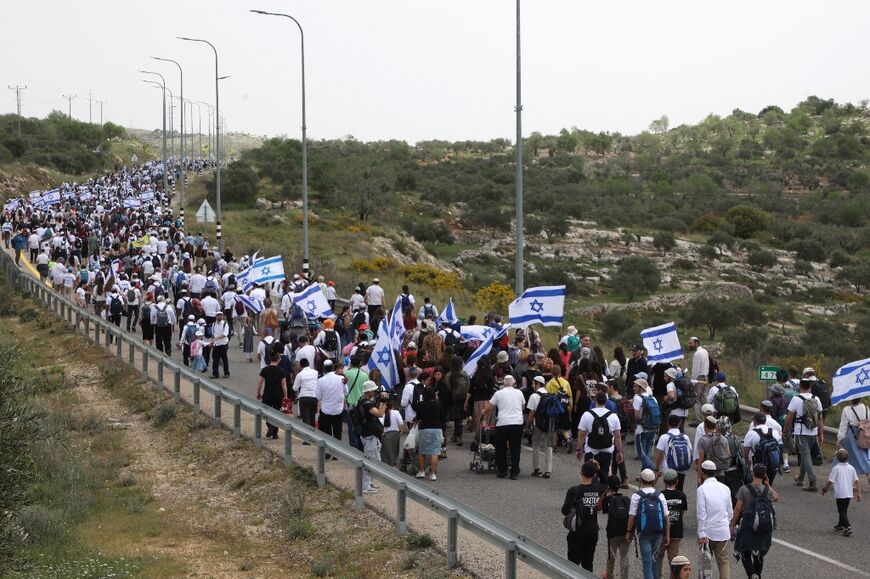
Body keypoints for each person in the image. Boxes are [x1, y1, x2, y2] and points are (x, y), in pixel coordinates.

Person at [731, 464, 779, 579]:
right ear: (764, 476)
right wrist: (768, 485)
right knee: (760, 552)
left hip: (748, 524)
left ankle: (752, 574)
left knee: (744, 551)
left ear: (753, 474)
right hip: (763, 525)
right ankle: (757, 574)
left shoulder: (744, 489)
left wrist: (732, 524)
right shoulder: (767, 490)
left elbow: (738, 508)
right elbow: (776, 497)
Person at [561, 461, 606, 571]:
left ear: (581, 472)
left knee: (573, 564)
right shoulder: (597, 489)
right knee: (588, 563)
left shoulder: (574, 491)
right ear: (594, 475)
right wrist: (599, 469)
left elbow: (565, 511)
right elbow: (605, 483)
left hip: (577, 532)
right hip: (592, 531)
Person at [626, 469, 670, 579]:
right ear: (653, 481)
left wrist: (629, 532)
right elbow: (666, 517)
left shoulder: (637, 496)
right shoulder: (660, 495)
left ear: (641, 480)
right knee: (655, 560)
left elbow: (632, 516)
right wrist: (667, 535)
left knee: (647, 562)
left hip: (644, 532)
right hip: (658, 532)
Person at [783, 379, 824, 492]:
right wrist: (821, 434)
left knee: (805, 455)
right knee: (806, 455)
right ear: (810, 387)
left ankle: (812, 480)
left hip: (801, 432)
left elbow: (789, 417)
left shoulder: (796, 399)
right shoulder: (816, 399)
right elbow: (820, 417)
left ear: (800, 386)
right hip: (813, 432)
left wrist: (786, 430)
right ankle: (800, 477)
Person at [576, 390, 623, 486]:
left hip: (591, 450)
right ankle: (603, 496)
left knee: (590, 475)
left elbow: (581, 434)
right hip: (607, 450)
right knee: (604, 474)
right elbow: (617, 436)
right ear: (606, 401)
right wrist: (619, 451)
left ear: (595, 401)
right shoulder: (613, 416)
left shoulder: (587, 414)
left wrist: (579, 449)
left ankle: (591, 496)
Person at [483, 375, 525, 479]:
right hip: (517, 423)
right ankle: (514, 472)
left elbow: (489, 407)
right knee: (515, 448)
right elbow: (523, 406)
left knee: (500, 447)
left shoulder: (498, 393)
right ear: (513, 383)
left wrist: (483, 413)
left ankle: (502, 470)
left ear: (504, 384)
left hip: (503, 423)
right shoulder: (519, 393)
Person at [697, 459, 733, 579]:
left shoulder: (702, 489)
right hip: (723, 531)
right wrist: (726, 524)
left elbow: (701, 513)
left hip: (707, 532)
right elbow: (730, 512)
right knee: (723, 562)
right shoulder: (725, 488)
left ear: (703, 472)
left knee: (705, 564)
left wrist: (701, 533)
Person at [822, 448, 862, 536]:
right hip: (848, 494)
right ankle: (840, 524)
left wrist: (825, 489)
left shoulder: (836, 468)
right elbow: (857, 481)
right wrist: (859, 493)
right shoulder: (851, 468)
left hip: (840, 494)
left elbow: (830, 481)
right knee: (844, 509)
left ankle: (847, 527)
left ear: (837, 458)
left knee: (841, 510)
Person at [357, 381, 386, 494]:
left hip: (370, 435)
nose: (375, 391)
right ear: (368, 391)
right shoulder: (366, 404)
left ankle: (370, 483)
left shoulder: (363, 401)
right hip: (368, 436)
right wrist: (384, 403)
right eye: (373, 390)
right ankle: (366, 486)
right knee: (369, 460)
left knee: (375, 459)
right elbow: (380, 414)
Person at [658, 470, 687, 579]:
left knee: (658, 556)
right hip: (676, 531)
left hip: (662, 531)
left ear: (664, 481)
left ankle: (658, 576)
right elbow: (682, 512)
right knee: (673, 559)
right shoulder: (682, 495)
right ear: (677, 481)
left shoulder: (661, 495)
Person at [603, 475, 631, 579]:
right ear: (619, 486)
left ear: (609, 487)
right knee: (624, 557)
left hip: (613, 533)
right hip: (625, 532)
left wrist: (605, 493)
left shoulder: (608, 499)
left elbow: (603, 510)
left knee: (611, 557)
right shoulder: (626, 499)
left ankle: (609, 576)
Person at [414, 386, 445, 481]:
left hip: (424, 428)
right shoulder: (438, 404)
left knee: (422, 451)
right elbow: (442, 417)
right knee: (435, 452)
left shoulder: (421, 404)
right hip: (436, 428)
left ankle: (422, 471)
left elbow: (418, 417)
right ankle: (432, 474)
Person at [654, 414, 692, 491]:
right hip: (682, 468)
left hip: (668, 468)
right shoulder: (685, 437)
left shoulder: (664, 437)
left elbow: (659, 455)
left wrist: (657, 469)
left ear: (668, 423)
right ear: (679, 423)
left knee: (669, 490)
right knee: (680, 489)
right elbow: (689, 451)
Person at [526, 375, 554, 479]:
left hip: (538, 424)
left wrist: (527, 425)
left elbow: (531, 413)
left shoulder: (534, 396)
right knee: (548, 446)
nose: (532, 385)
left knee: (535, 443)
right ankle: (548, 471)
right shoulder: (550, 395)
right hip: (549, 424)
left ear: (538, 384)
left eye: (533, 383)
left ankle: (537, 468)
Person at [743, 413, 782, 487]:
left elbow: (746, 451)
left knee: (756, 488)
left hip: (758, 466)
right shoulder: (773, 432)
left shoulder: (752, 433)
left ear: (754, 421)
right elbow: (779, 445)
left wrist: (747, 463)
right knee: (768, 486)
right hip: (772, 465)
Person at [256, 350, 288, 439]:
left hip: (267, 394)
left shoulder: (265, 369)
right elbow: (284, 384)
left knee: (266, 412)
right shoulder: (281, 370)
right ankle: (274, 433)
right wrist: (285, 395)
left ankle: (270, 425)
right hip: (278, 395)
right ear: (278, 359)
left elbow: (260, 383)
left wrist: (258, 393)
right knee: (277, 412)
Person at [315, 360, 346, 452]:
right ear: (333, 367)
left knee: (326, 432)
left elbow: (318, 396)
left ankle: (327, 452)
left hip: (326, 410)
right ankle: (336, 452)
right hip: (338, 410)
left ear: (323, 368)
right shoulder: (341, 379)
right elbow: (346, 392)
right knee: (337, 432)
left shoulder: (320, 380)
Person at [837, 397, 870, 482]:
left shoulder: (847, 409)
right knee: (863, 456)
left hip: (852, 436)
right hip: (864, 435)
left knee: (850, 458)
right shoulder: (866, 408)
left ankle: (849, 481)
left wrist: (840, 439)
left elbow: (843, 426)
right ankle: (868, 473)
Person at [633, 378, 660, 471]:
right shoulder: (653, 398)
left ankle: (653, 469)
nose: (634, 388)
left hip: (641, 429)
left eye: (636, 386)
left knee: (641, 454)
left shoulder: (637, 398)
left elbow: (636, 415)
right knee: (647, 452)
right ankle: (645, 475)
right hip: (653, 428)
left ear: (641, 388)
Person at [445, 356, 470, 447]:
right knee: (460, 417)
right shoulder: (465, 374)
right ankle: (457, 435)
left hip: (454, 398)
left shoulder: (449, 375)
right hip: (463, 399)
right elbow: (468, 385)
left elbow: (448, 388)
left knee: (456, 417)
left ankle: (458, 436)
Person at [688, 337, 710, 425]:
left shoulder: (697, 354)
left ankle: (698, 420)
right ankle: (708, 418)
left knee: (695, 398)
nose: (689, 345)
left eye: (691, 343)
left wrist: (693, 382)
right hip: (705, 377)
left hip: (699, 378)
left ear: (696, 343)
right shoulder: (705, 351)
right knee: (704, 399)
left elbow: (696, 370)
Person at [293, 358, 319, 429]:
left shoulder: (300, 375)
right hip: (314, 397)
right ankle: (313, 436)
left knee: (306, 419)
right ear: (308, 364)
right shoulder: (315, 372)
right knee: (312, 418)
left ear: (301, 366)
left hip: (304, 397)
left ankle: (307, 438)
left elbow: (295, 388)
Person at [380, 399, 405, 467]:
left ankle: (387, 467)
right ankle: (393, 465)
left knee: (386, 453)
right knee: (395, 451)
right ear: (392, 406)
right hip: (395, 434)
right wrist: (400, 432)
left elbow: (380, 425)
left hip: (386, 435)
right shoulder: (396, 412)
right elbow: (401, 423)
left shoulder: (382, 413)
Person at [210, 310, 230, 378]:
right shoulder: (214, 324)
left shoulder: (225, 324)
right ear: (216, 316)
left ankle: (226, 373)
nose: (219, 316)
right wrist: (211, 342)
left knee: (224, 359)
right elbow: (213, 334)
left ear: (222, 316)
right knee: (215, 360)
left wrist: (216, 338)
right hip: (216, 344)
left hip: (223, 344)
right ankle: (215, 374)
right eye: (218, 315)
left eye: (220, 315)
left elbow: (225, 334)